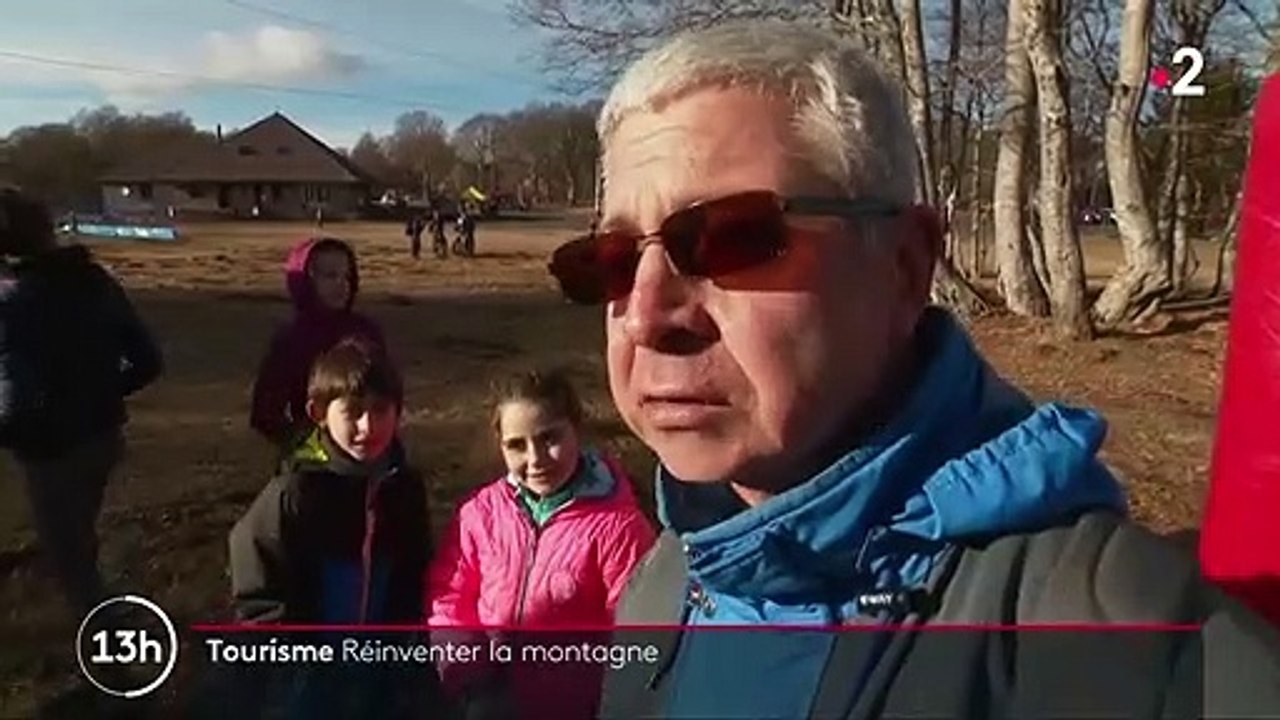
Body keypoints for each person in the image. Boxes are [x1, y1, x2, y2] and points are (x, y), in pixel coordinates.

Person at [542, 19, 1280, 719]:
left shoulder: (1140, 655)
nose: (643, 315)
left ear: (903, 266)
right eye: (607, 263)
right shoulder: (667, 574)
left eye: (728, 238)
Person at [426, 368, 656, 720]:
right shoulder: (480, 514)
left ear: (576, 429)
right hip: (487, 703)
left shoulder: (618, 527)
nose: (535, 459)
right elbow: (451, 595)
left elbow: (636, 630)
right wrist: (465, 670)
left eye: (549, 438)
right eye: (517, 445)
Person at [229, 338, 437, 718]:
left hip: (383, 662)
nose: (367, 426)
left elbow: (415, 568)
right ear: (319, 412)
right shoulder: (295, 491)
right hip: (309, 668)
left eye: (380, 410)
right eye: (353, 412)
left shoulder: (405, 488)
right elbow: (257, 576)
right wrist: (283, 649)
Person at [0, 188, 163, 618]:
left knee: (70, 561)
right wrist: (102, 395)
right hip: (103, 436)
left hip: (51, 449)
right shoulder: (96, 282)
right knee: (79, 538)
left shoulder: (13, 301)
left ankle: (109, 658)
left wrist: (20, 429)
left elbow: (14, 397)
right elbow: (148, 361)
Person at [250, 237, 387, 458]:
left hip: (373, 451)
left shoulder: (367, 332)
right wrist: (309, 450)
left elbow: (389, 393)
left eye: (347, 276)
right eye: (330, 276)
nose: (341, 284)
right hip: (316, 459)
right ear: (305, 280)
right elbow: (265, 414)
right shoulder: (291, 340)